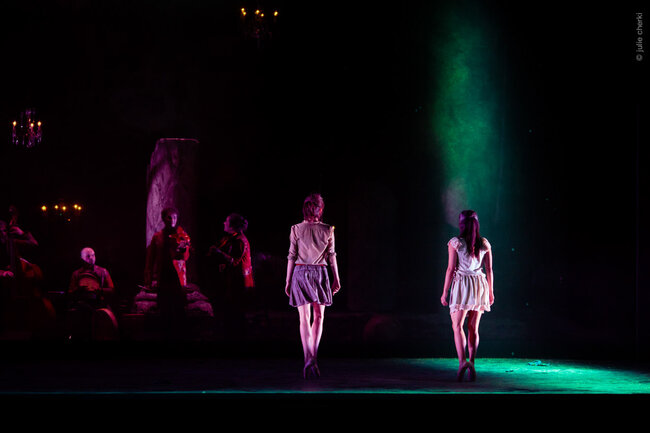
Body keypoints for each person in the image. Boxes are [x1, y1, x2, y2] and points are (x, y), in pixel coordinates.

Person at [285, 193, 341, 378]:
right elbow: (332, 256)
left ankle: (308, 359)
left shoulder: (296, 229)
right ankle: (312, 358)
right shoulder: (327, 229)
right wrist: (336, 278)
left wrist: (288, 280)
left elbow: (291, 256)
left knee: (305, 318)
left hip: (301, 272)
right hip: (319, 273)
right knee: (318, 317)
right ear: (321, 209)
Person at [440, 210, 494, 381]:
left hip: (463, 284)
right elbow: (489, 269)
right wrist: (491, 291)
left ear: (461, 224)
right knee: (473, 328)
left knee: (457, 326)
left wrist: (445, 292)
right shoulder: (484, 243)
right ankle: (472, 364)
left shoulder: (456, 243)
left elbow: (450, 269)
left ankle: (463, 362)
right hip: (479, 285)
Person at [144, 207, 191, 340]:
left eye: (174, 217)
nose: (172, 220)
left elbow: (185, 257)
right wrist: (149, 279)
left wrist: (183, 249)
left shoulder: (182, 235)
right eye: (169, 217)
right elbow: (150, 259)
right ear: (164, 219)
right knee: (164, 307)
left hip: (177, 276)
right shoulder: (157, 236)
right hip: (163, 275)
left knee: (178, 307)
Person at [208, 213, 254, 339]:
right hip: (236, 281)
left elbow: (234, 261)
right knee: (234, 310)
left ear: (233, 226)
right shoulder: (234, 238)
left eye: (226, 222)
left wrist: (219, 253)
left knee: (236, 311)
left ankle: (236, 338)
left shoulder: (239, 240)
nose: (224, 223)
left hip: (240, 282)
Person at [67, 247, 118, 340]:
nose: (91, 258)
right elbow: (70, 292)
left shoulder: (103, 271)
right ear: (81, 259)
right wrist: (79, 290)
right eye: (88, 256)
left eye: (93, 255)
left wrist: (99, 290)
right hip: (82, 306)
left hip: (99, 304)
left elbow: (112, 290)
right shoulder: (76, 274)